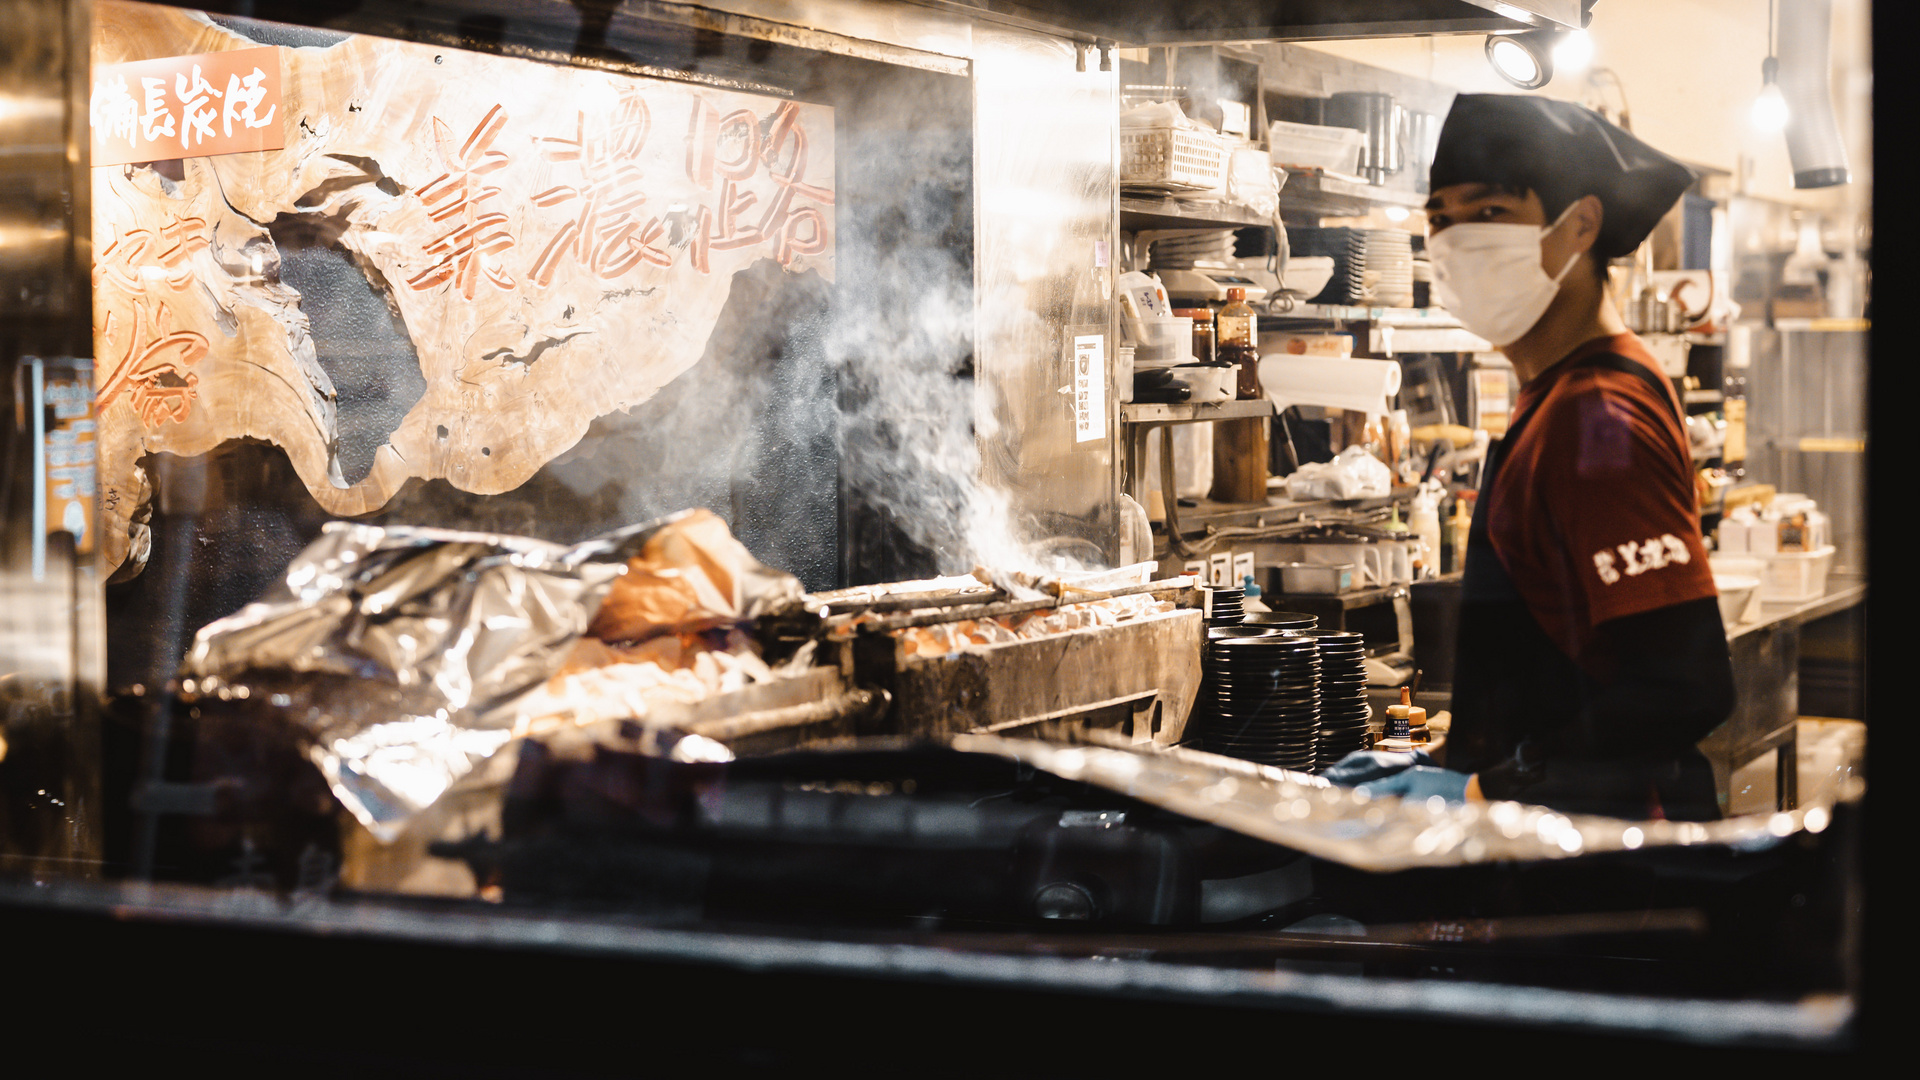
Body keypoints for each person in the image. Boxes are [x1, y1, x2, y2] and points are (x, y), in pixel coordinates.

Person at [1326, 95, 1732, 821]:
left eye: (1487, 214)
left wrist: (1487, 789)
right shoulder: (1562, 393)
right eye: (1440, 220)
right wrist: (1451, 761)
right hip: (1557, 843)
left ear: (1580, 225)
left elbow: (1681, 687)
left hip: (1606, 874)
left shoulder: (1596, 416)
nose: (1454, 242)